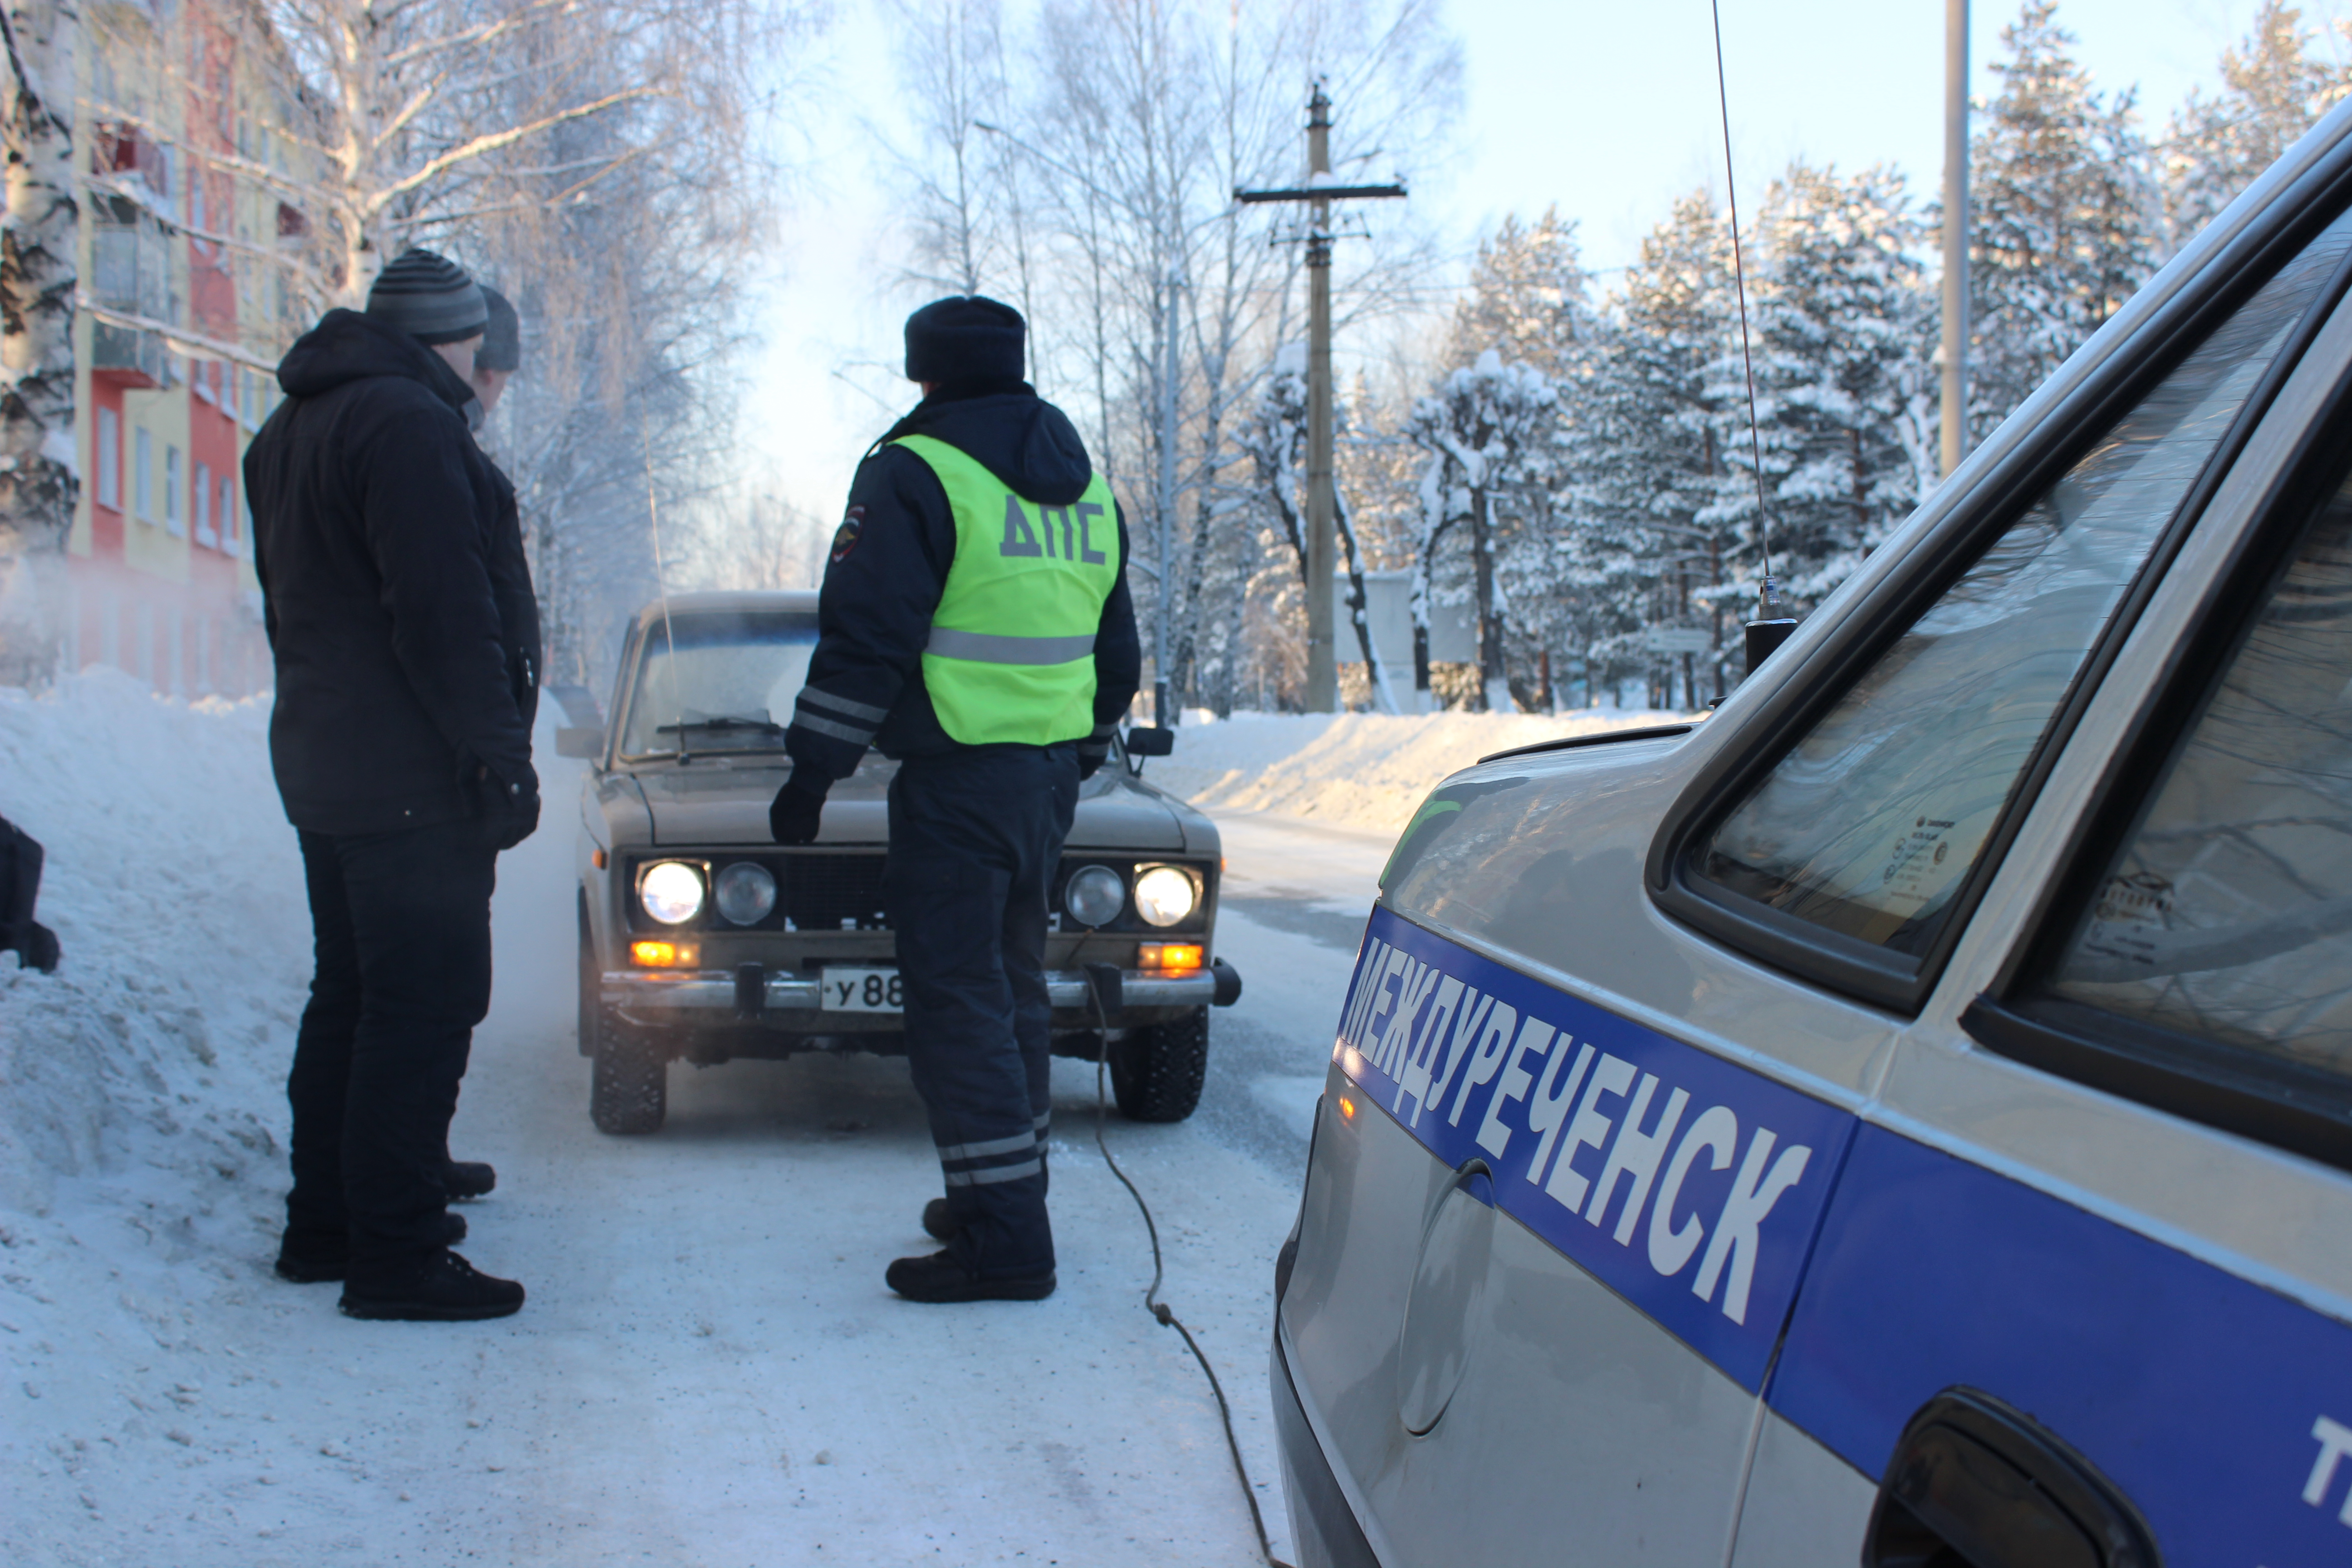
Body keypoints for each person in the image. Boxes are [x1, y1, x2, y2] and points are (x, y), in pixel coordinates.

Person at [773, 295, 1140, 1303]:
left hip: (956, 783)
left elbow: (868, 636)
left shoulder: (915, 471)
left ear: (922, 373)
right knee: (1012, 989)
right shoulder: (1087, 489)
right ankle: (1004, 1191)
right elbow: (1116, 661)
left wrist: (814, 770)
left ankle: (1005, 1242)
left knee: (958, 1004)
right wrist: (1071, 756)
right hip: (1042, 787)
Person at [245, 248, 538, 1322]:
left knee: (356, 996)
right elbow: (441, 613)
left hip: (331, 761)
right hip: (412, 774)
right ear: (451, 341)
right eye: (474, 346)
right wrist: (498, 754)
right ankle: (397, 1254)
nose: (480, 369)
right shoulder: (409, 424)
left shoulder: (292, 427)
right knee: (423, 1006)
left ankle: (331, 1223)